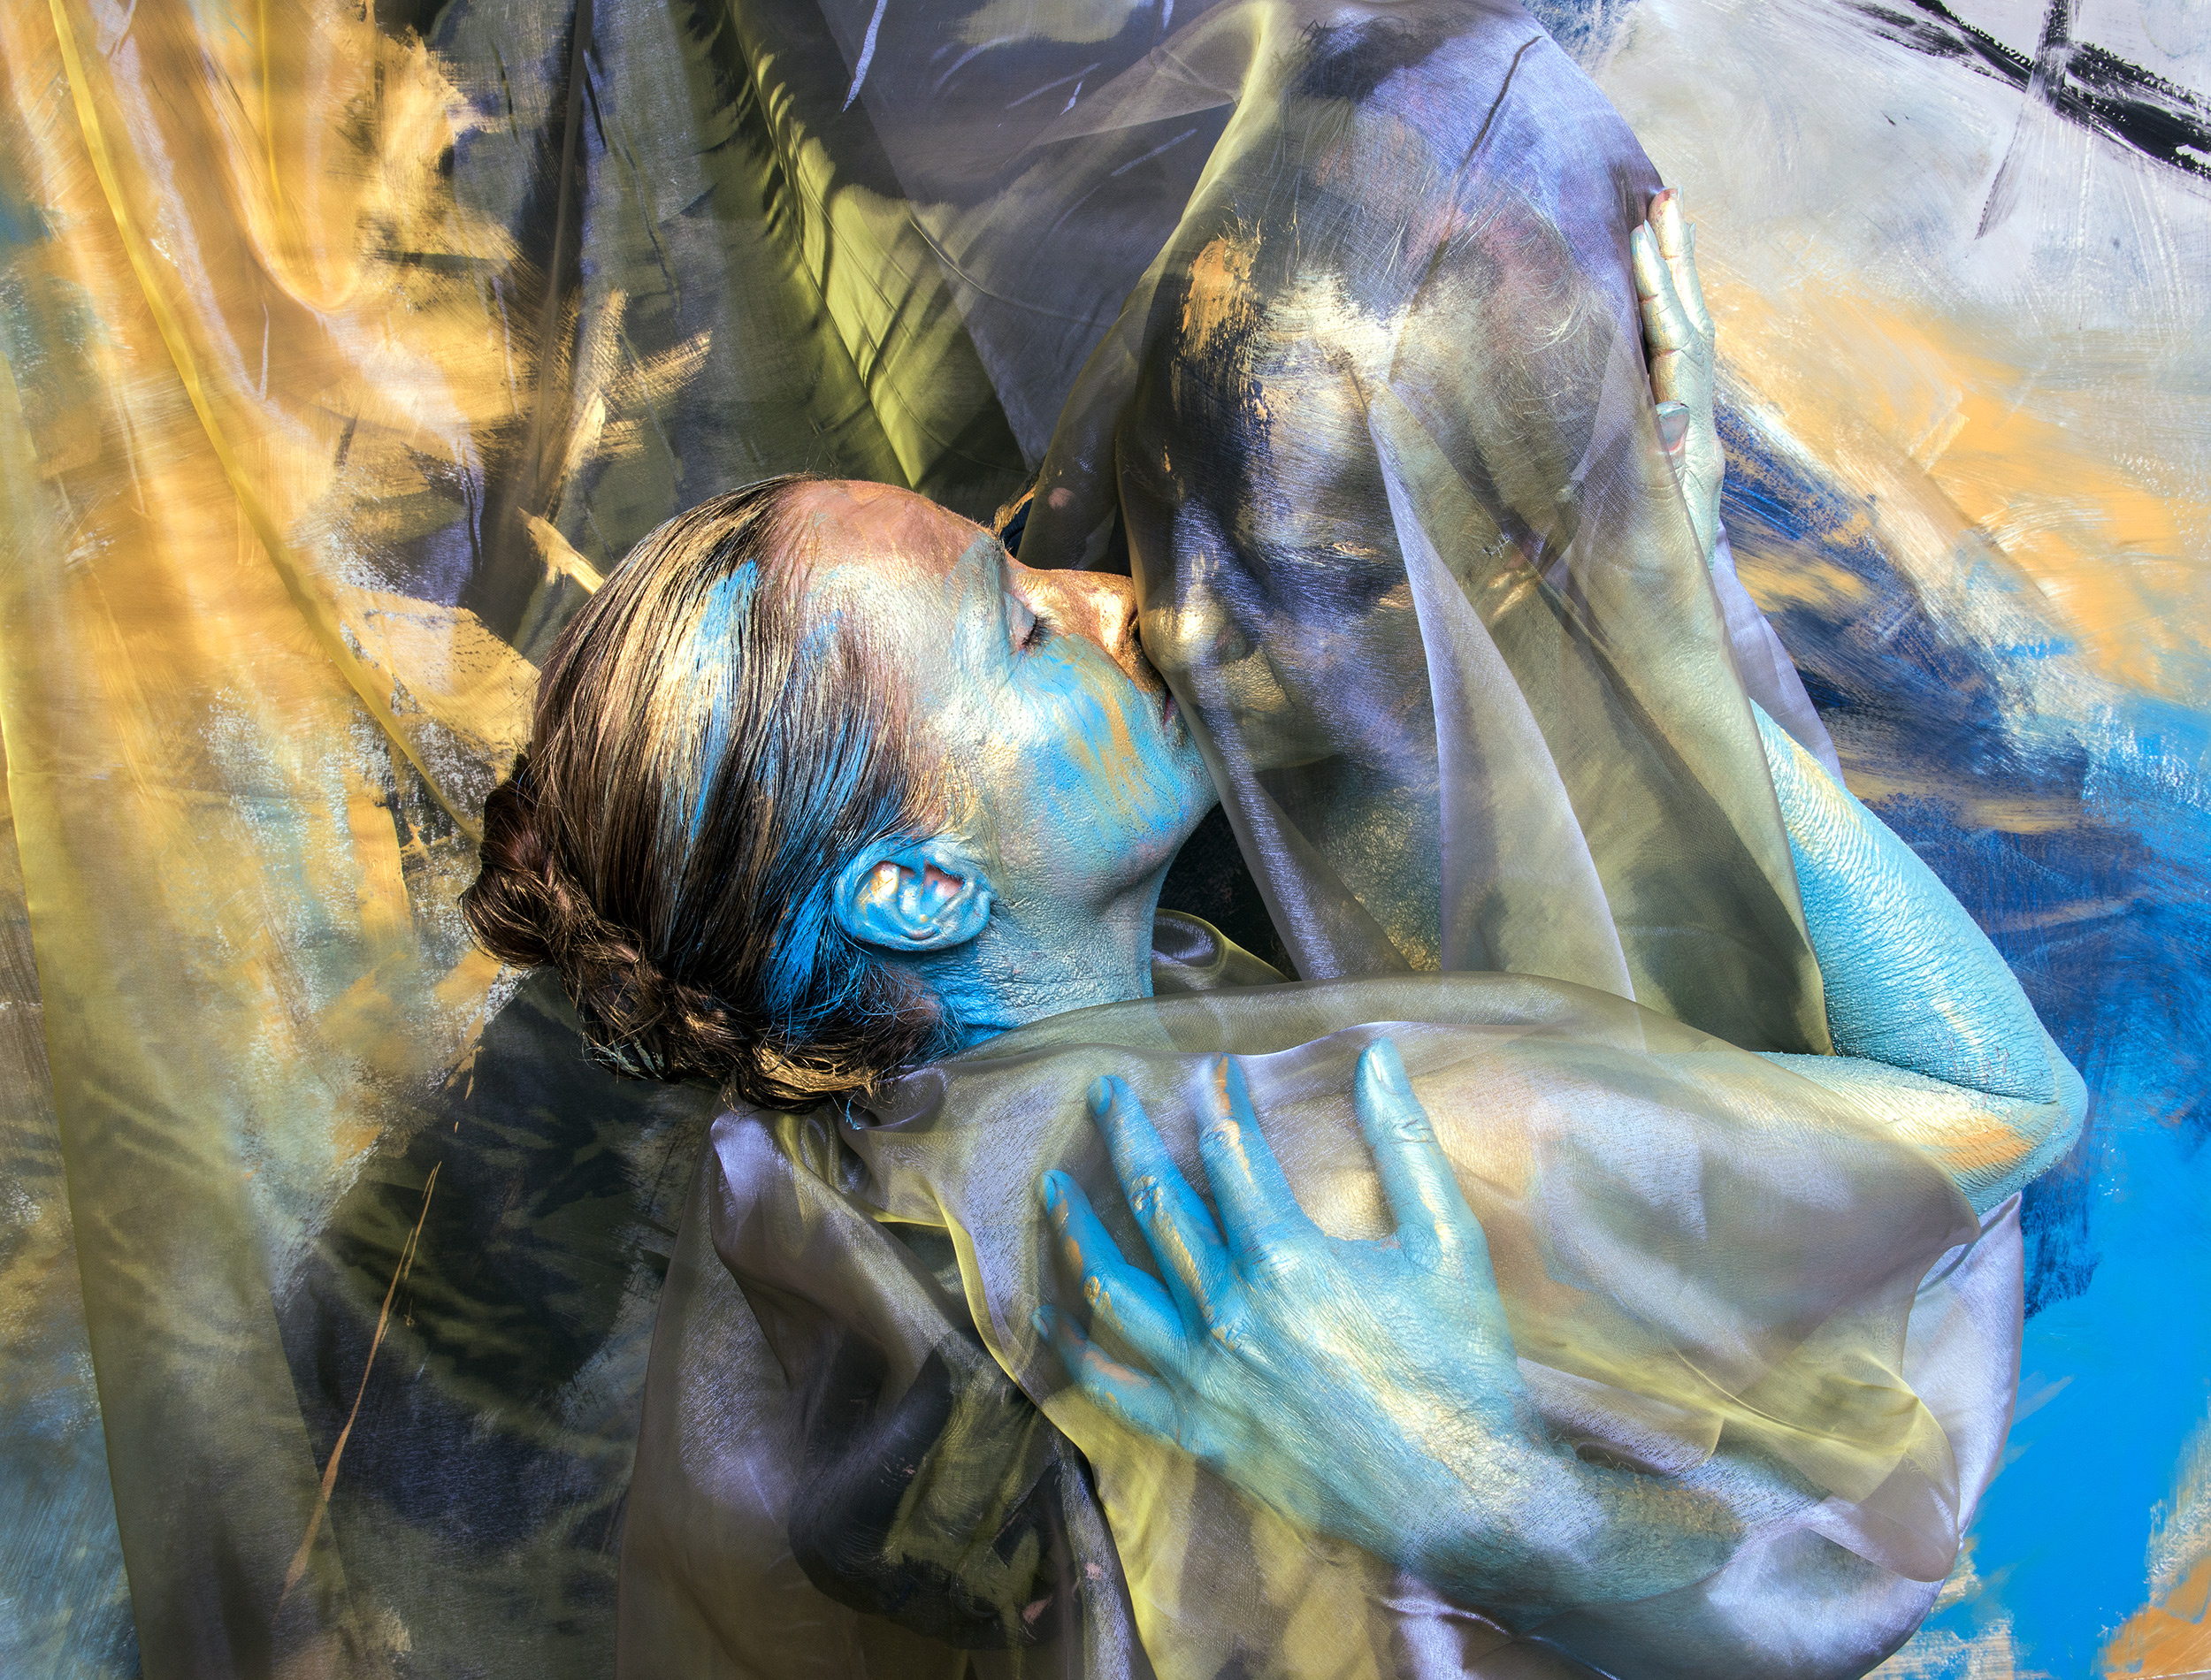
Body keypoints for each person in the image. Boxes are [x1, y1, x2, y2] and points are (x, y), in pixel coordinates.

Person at [459, 173, 2081, 1673]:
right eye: (1021, 629)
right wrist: (1659, 616)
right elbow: (2003, 1106)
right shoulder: (1352, 1163)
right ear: (920, 890)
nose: (1112, 598)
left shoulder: (814, 1208)